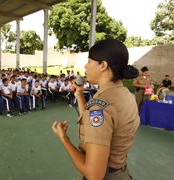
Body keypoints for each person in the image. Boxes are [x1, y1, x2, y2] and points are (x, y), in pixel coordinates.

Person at [52, 39, 140, 180]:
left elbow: (94, 174)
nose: (86, 66)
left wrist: (64, 139)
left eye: (89, 61)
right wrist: (79, 95)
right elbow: (94, 122)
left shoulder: (100, 106)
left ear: (103, 65)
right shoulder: (125, 94)